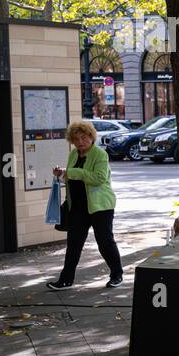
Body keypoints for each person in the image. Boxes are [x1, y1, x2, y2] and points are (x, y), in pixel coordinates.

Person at [47, 120, 123, 290]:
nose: (80, 142)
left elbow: (99, 178)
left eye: (83, 138)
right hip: (78, 207)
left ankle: (117, 274)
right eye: (76, 139)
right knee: (73, 244)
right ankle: (66, 280)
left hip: (100, 206)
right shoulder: (73, 154)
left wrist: (71, 172)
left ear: (91, 136)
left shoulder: (100, 154)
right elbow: (71, 177)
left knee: (105, 242)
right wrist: (61, 175)